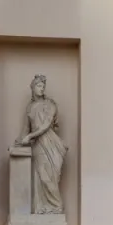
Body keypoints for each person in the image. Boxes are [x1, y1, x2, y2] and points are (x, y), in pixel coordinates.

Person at [15, 74, 67, 214]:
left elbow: (45, 125)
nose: (41, 89)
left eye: (43, 86)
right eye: (38, 86)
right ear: (32, 88)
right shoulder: (30, 107)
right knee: (41, 176)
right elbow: (25, 130)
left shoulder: (50, 104)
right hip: (38, 145)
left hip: (51, 143)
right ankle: (43, 207)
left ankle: (56, 206)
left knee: (51, 177)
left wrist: (30, 137)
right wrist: (19, 142)